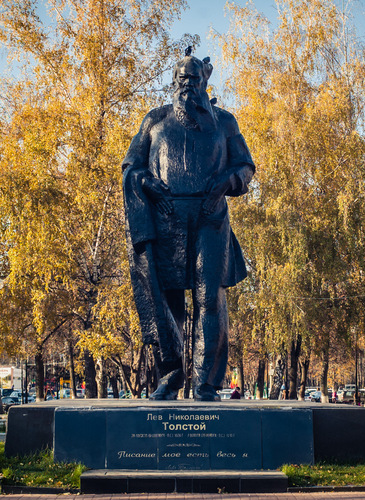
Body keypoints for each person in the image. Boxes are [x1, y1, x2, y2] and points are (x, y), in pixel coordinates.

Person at [123, 48, 255, 401]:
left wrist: (228, 181)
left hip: (210, 220)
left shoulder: (225, 122)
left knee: (209, 299)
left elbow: (246, 167)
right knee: (168, 302)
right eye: (182, 79)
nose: (187, 85)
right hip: (166, 220)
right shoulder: (154, 120)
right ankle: (170, 376)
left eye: (193, 79)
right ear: (173, 81)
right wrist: (147, 183)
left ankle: (206, 383)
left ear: (204, 81)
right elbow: (131, 166)